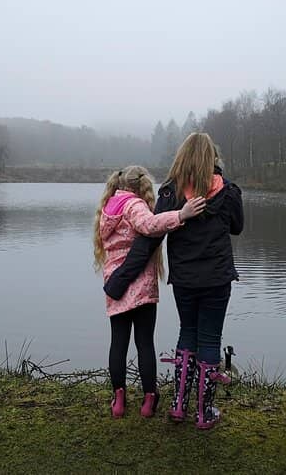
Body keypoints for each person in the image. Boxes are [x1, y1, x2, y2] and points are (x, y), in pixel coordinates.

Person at [104, 133, 243, 429]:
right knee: (209, 339)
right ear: (212, 160)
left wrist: (119, 280)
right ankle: (204, 413)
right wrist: (220, 178)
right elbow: (237, 227)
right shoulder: (228, 191)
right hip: (217, 279)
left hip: (184, 281)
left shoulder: (170, 192)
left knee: (188, 333)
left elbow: (149, 241)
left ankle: (179, 406)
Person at [94, 165, 206, 419]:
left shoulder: (109, 206)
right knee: (144, 342)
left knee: (118, 343)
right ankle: (148, 400)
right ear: (140, 185)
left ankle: (119, 400)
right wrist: (182, 214)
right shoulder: (134, 205)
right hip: (141, 285)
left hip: (116, 283)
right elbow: (151, 225)